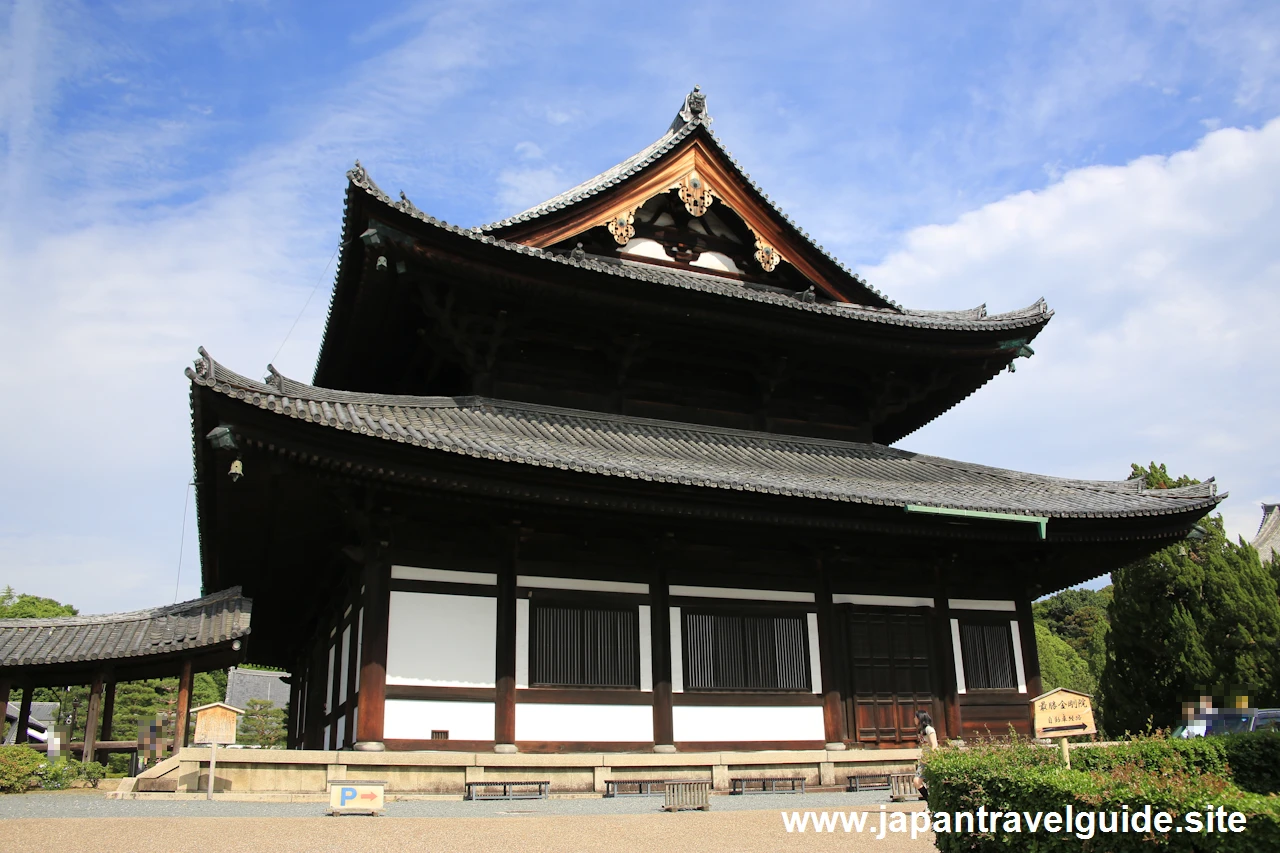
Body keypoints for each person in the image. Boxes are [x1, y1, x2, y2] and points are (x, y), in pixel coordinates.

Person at [913, 710, 939, 801]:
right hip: (924, 758)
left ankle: (931, 803)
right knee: (917, 781)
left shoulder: (929, 729)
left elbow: (934, 745)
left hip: (930, 758)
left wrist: (930, 758)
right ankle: (930, 802)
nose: (914, 719)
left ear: (919, 718)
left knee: (923, 782)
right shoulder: (921, 731)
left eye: (915, 717)